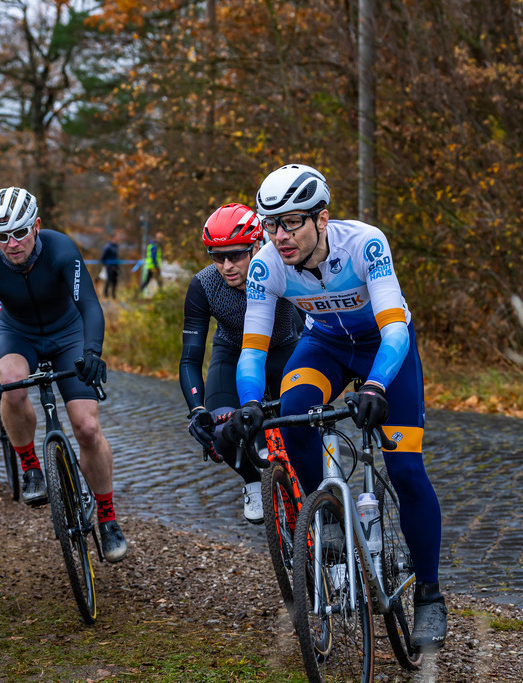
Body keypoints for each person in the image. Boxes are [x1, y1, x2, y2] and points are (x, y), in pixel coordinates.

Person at [229, 164, 448, 651]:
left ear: (321, 219)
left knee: (406, 469)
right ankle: (324, 515)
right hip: (325, 347)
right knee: (293, 410)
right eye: (269, 223)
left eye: (291, 223)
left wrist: (374, 386)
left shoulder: (364, 243)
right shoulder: (267, 264)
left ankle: (430, 596)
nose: (278, 236)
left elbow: (393, 326)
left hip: (386, 351)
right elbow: (252, 350)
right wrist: (246, 404)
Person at [0, 186, 127, 563]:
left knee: (86, 428)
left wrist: (92, 352)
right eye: (1, 236)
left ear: (36, 225)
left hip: (68, 333)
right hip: (18, 334)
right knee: (9, 385)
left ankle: (107, 516)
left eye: (19, 232)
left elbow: (89, 304)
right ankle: (30, 467)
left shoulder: (61, 249)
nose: (12, 243)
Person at [180, 204, 301, 523]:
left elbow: (312, 321)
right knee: (221, 431)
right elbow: (190, 356)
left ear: (257, 245)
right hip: (232, 354)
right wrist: (196, 409)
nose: (226, 266)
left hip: (284, 350)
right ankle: (251, 480)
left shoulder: (283, 268)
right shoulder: (204, 284)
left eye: (235, 255)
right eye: (216, 256)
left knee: (303, 426)